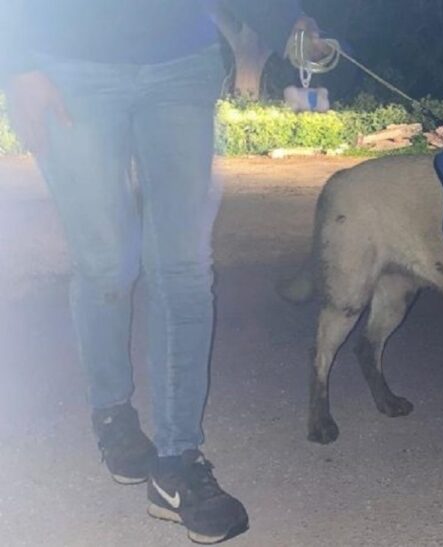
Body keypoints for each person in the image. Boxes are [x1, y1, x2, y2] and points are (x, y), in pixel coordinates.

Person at [0, 1, 323, 543]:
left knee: (185, 266)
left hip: (181, 62)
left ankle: (176, 463)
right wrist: (17, 63)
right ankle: (112, 412)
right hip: (67, 64)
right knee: (106, 263)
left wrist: (286, 19)